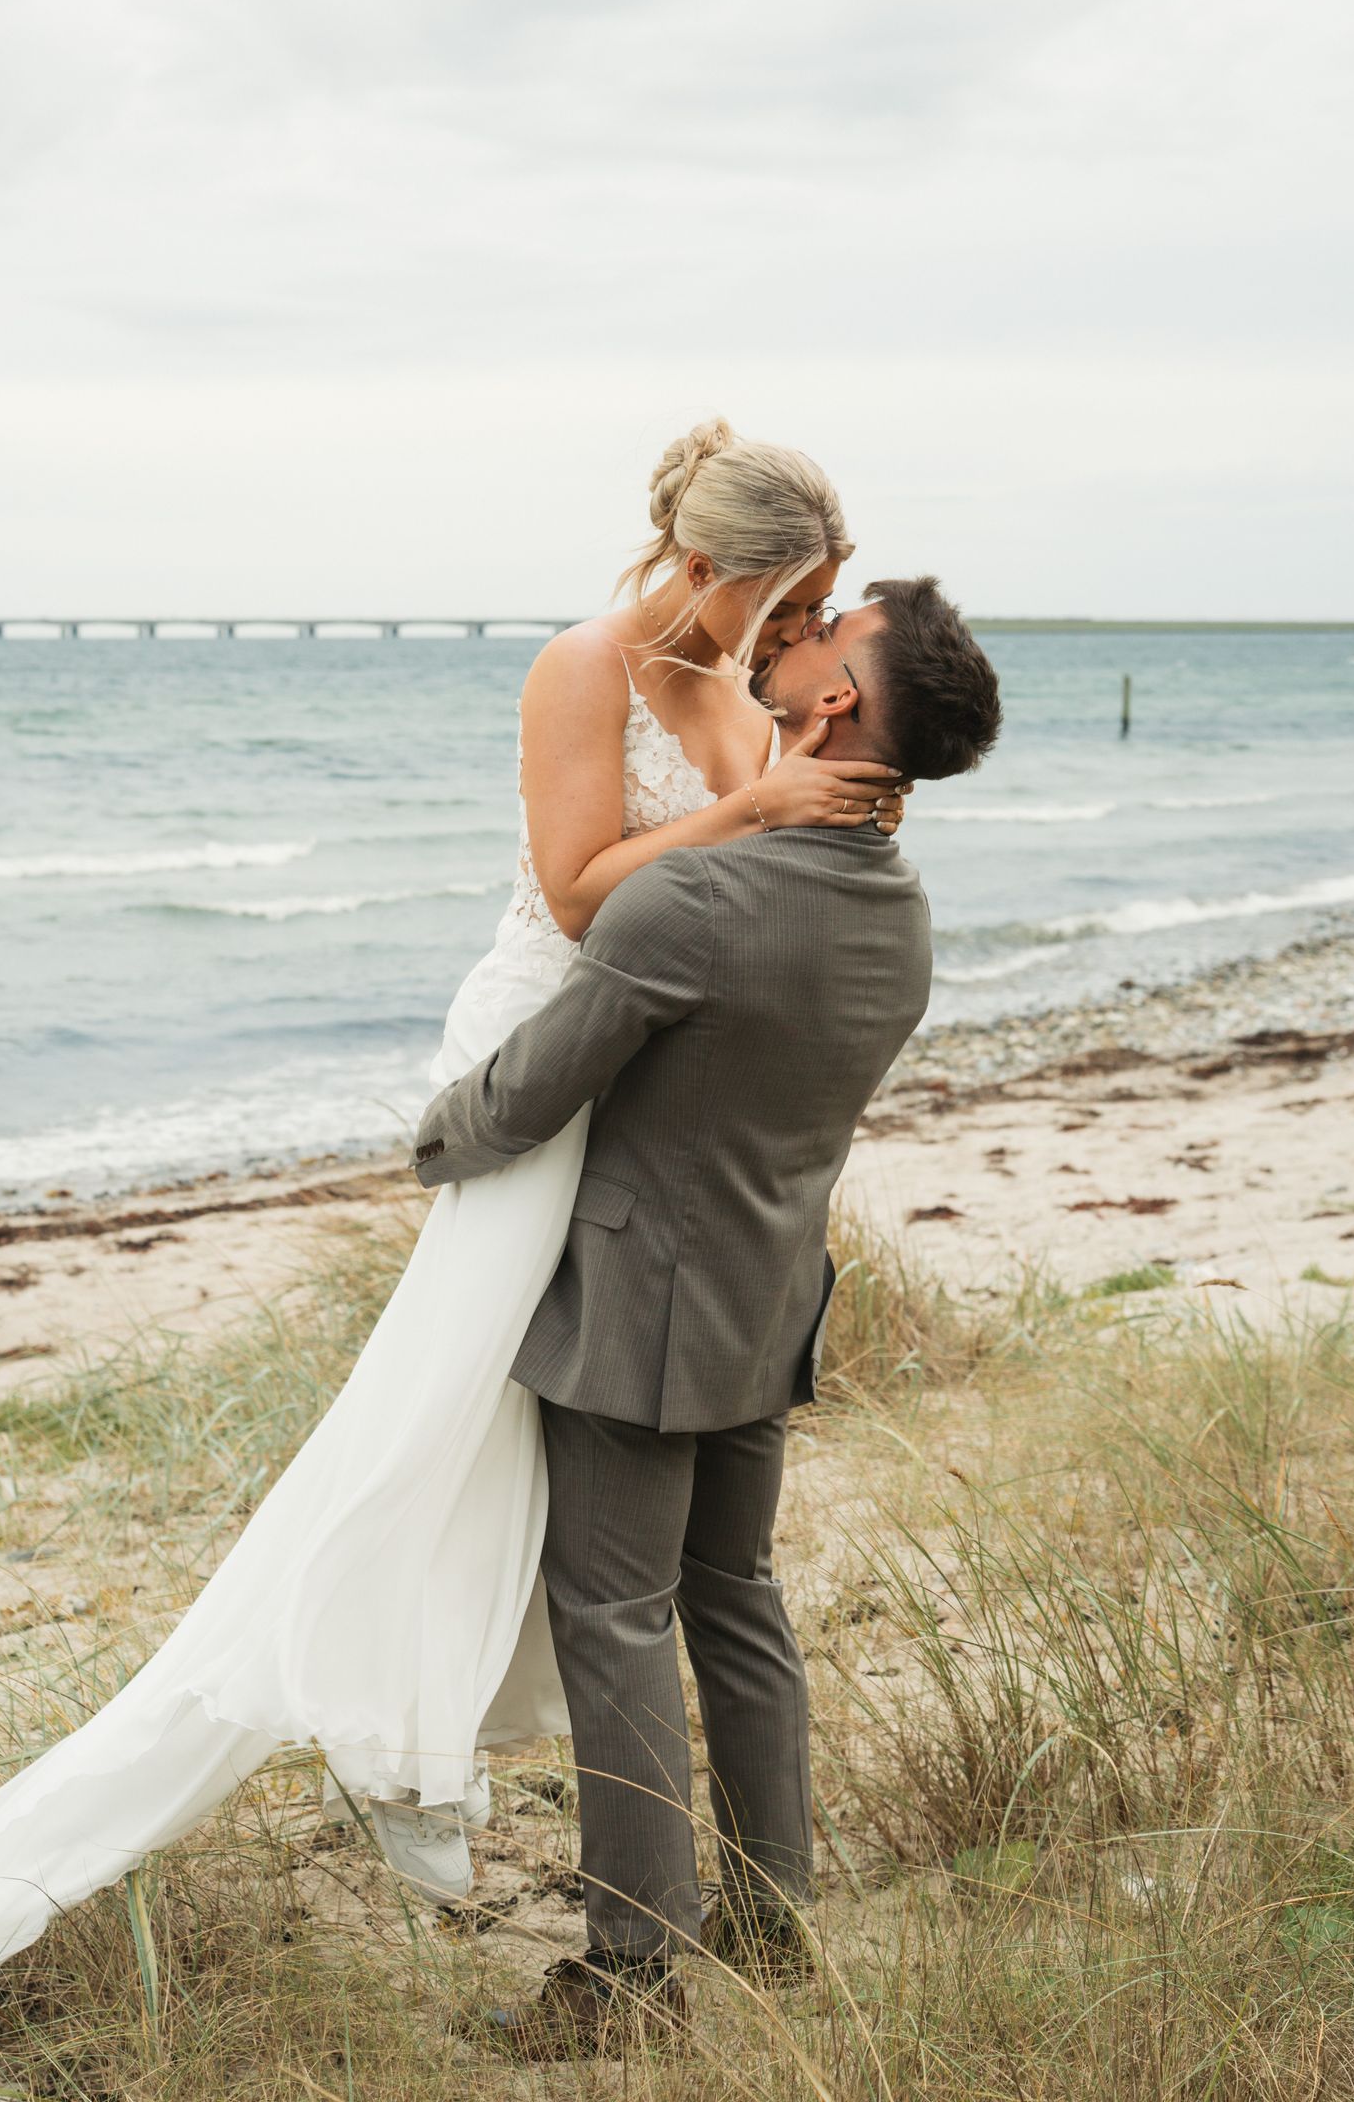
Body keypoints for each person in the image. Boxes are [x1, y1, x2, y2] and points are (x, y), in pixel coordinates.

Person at [0, 420, 909, 2102]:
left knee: (609, 1539)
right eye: (786, 595)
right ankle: (375, 1714)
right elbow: (587, 898)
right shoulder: (584, 668)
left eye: (812, 608)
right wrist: (770, 815)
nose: (791, 633)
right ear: (719, 564)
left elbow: (748, 920)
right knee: (432, 1446)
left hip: (642, 1117)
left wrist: (807, 816)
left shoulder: (738, 706)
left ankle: (573, 1863)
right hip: (542, 1074)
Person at [411, 577, 1002, 2057]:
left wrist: (434, 1137)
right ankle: (771, 1916)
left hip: (639, 1309)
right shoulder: (898, 914)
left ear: (838, 700)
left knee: (613, 1616)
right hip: (768, 1298)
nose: (786, 639)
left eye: (819, 631)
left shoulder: (699, 897)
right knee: (737, 1602)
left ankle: (630, 1971)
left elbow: (535, 1088)